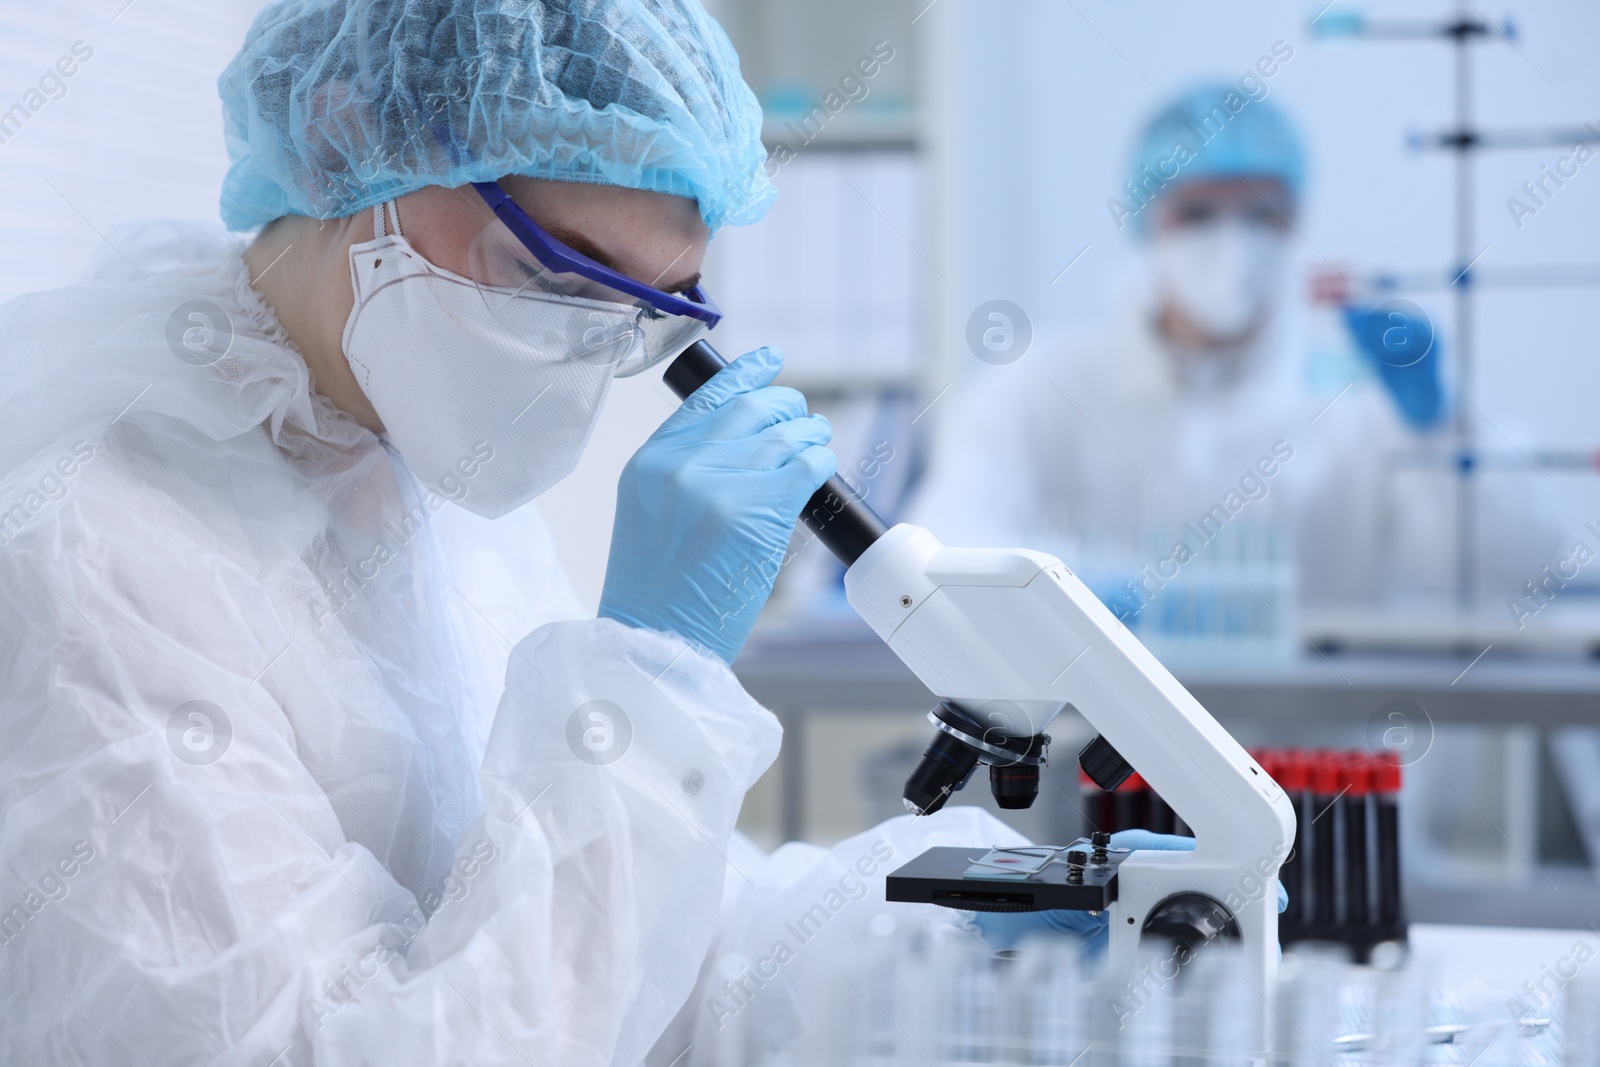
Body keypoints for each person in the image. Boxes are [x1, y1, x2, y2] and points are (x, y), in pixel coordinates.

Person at [0, 1, 1046, 1062]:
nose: (582, 349)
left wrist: (956, 934)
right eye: (549, 277)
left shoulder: (411, 485)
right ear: (342, 130)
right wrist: (650, 686)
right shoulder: (89, 558)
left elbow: (629, 952)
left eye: (645, 306)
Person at [908, 85, 1557, 646]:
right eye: (1196, 213)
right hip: (1102, 760)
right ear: (1145, 220)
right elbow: (945, 544)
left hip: (1317, 768)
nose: (1232, 240)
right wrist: (1065, 588)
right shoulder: (1044, 386)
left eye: (1262, 213)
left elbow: (1521, 572)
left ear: (1295, 219)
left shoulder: (1363, 398)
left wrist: (1440, 423)